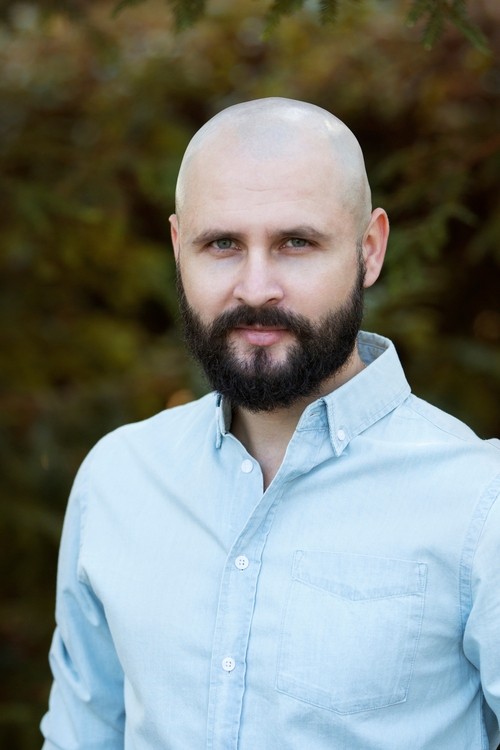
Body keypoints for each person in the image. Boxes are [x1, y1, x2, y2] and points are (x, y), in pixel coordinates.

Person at [41, 97, 500, 750]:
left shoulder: (481, 503)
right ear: (178, 248)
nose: (256, 288)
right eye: (222, 244)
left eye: (296, 243)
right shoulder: (118, 480)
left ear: (370, 250)